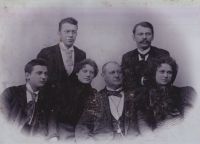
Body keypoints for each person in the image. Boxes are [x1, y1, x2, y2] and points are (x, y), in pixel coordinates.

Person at [75, 61, 140, 142]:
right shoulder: (95, 98)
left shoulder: (134, 97)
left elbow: (144, 122)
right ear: (103, 76)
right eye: (112, 73)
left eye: (119, 72)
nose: (117, 75)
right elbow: (82, 128)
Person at [134, 56, 196, 134]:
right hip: (160, 135)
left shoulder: (181, 92)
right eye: (162, 71)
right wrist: (150, 138)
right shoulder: (145, 95)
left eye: (169, 72)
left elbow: (189, 117)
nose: (165, 76)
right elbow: (143, 123)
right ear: (154, 73)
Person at [0, 59, 52, 137]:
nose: (43, 77)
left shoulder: (47, 99)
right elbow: (3, 121)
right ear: (27, 75)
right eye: (39, 73)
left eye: (46, 73)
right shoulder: (10, 93)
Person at [50, 59, 99, 142]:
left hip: (84, 132)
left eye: (91, 72)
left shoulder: (93, 93)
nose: (88, 75)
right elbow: (53, 114)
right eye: (85, 71)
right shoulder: (64, 89)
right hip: (63, 130)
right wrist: (52, 134)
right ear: (77, 72)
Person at [37, 17, 86, 91]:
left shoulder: (81, 54)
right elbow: (38, 79)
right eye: (67, 31)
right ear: (59, 33)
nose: (71, 35)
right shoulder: (46, 53)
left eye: (74, 32)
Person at [121, 21, 170, 91]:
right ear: (133, 37)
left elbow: (167, 79)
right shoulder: (127, 57)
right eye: (140, 34)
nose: (144, 37)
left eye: (148, 34)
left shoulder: (162, 54)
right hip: (134, 98)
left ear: (152, 36)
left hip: (157, 96)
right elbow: (125, 80)